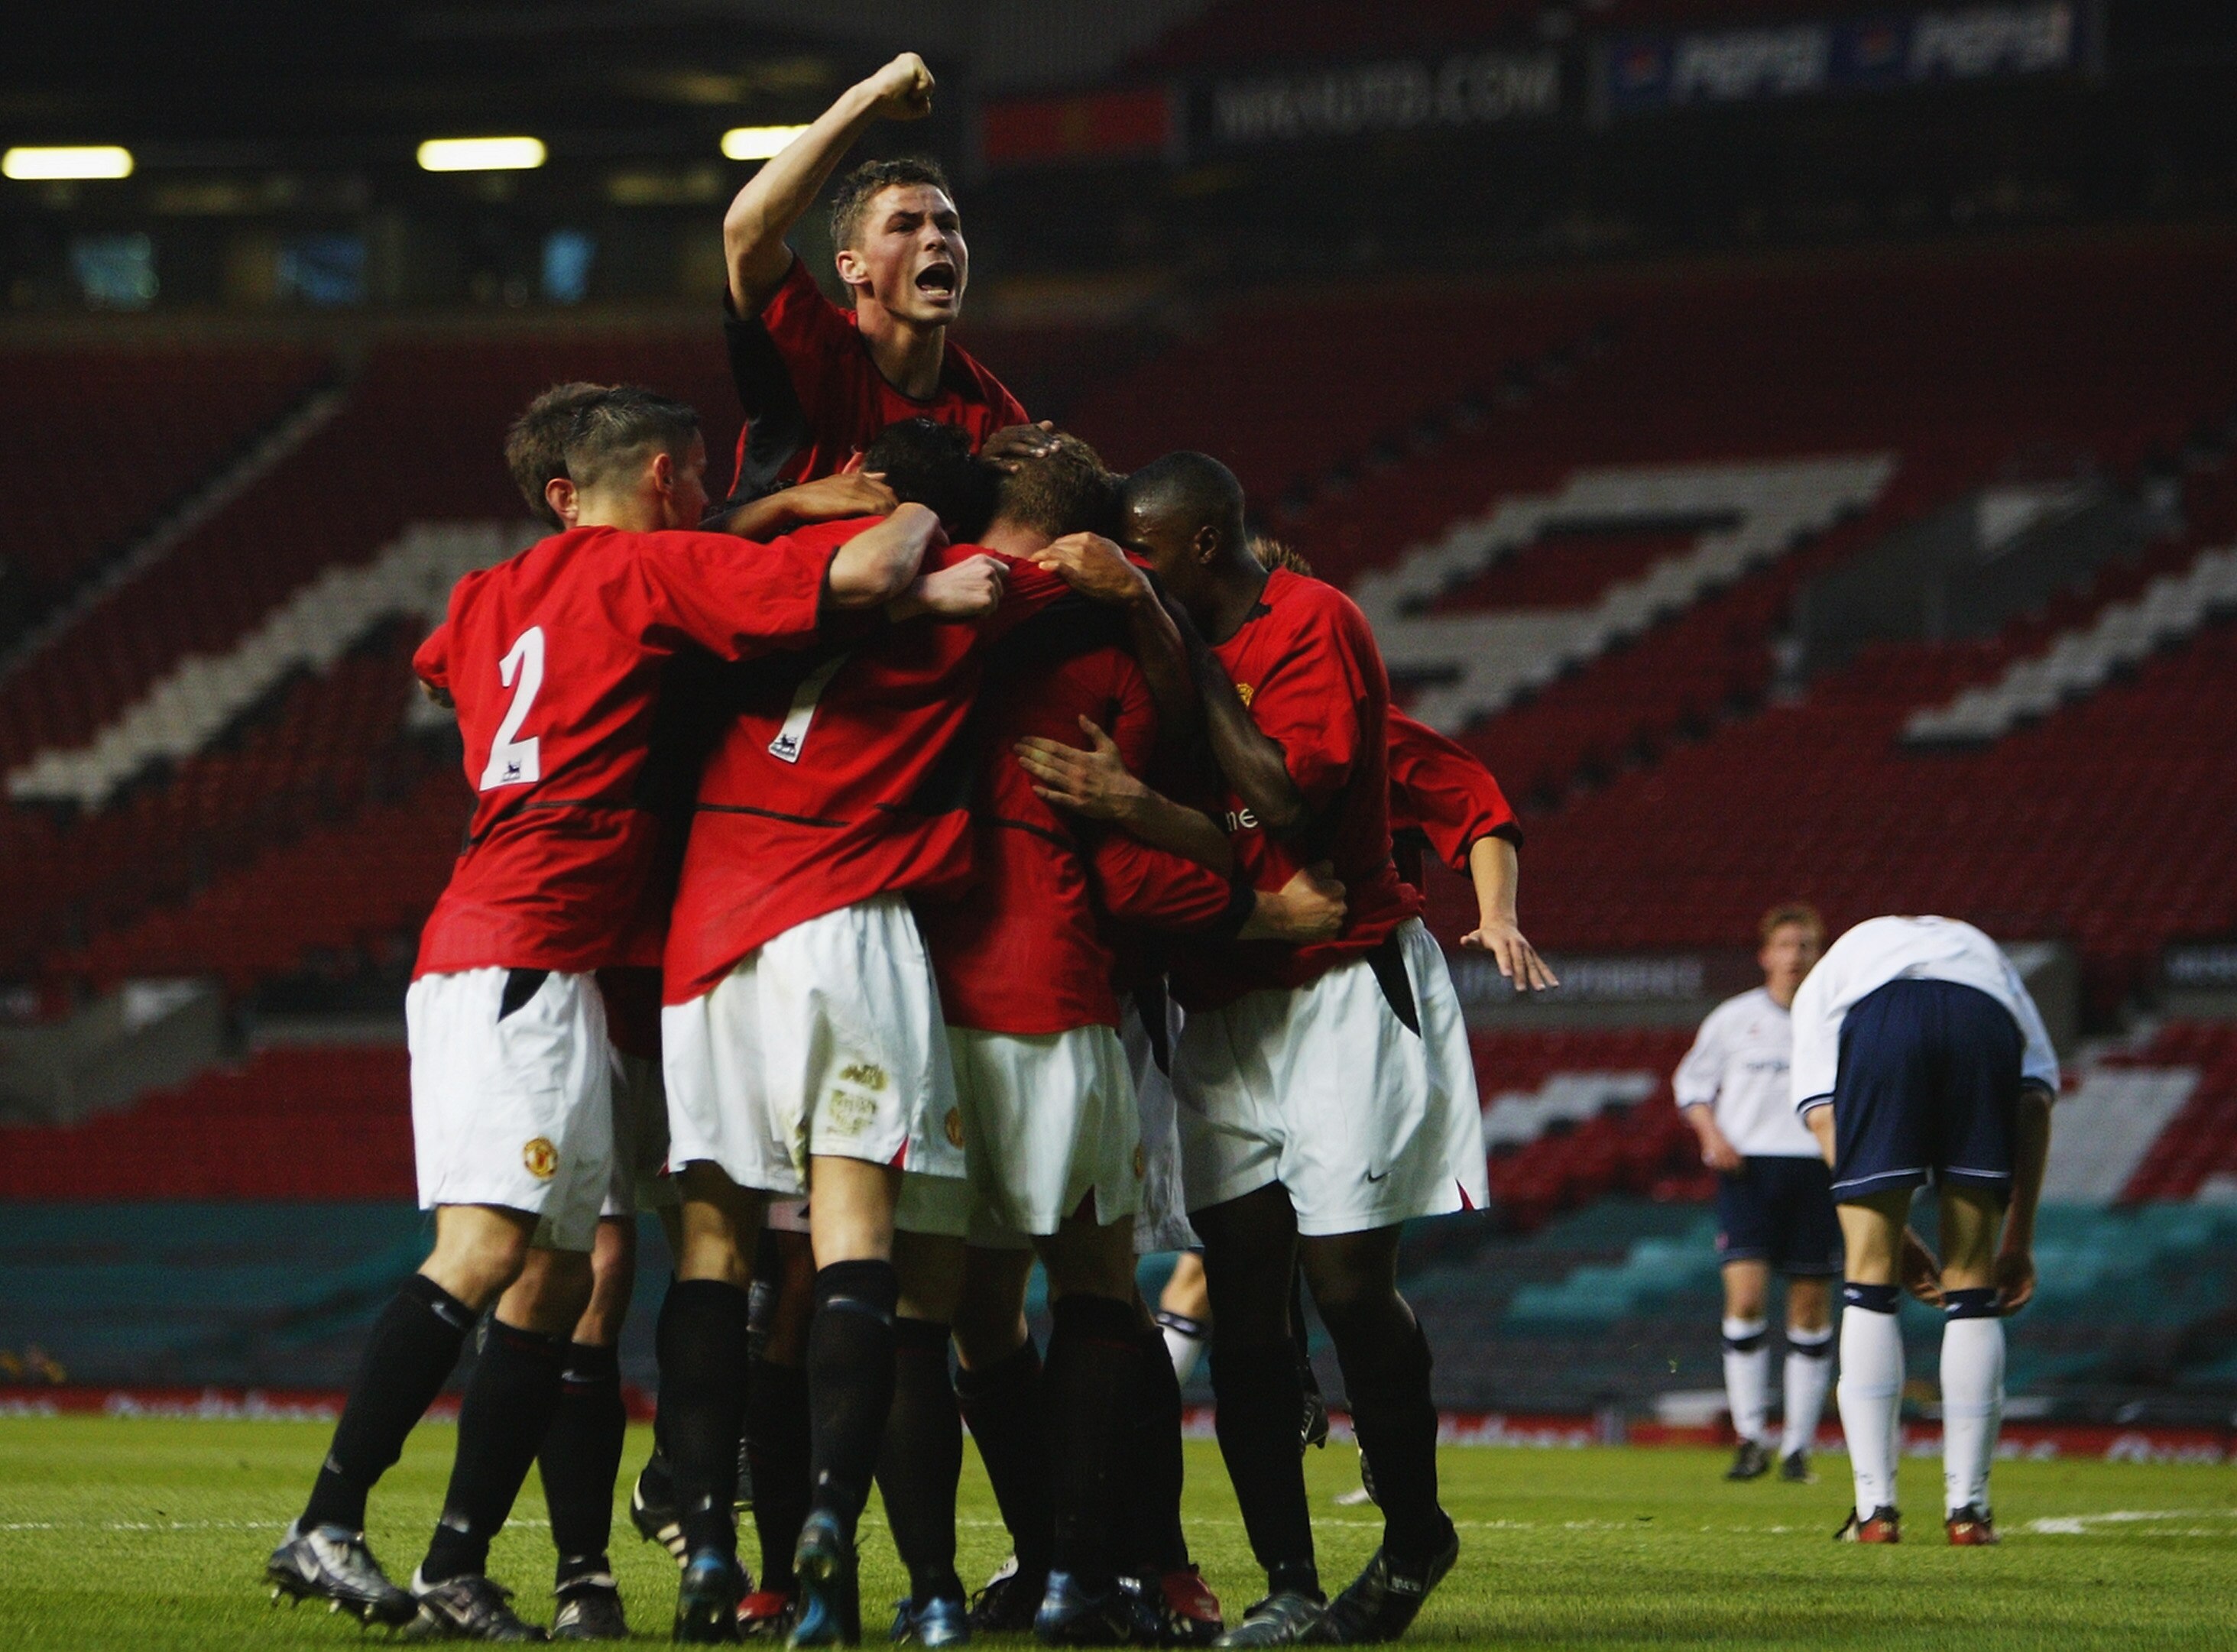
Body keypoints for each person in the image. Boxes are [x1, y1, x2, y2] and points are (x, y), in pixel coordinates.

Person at [264, 387, 938, 1637]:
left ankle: (459, 1561)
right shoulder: (652, 570)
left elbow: (435, 676)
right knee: (483, 1253)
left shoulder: (482, 594)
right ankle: (327, 1521)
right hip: (522, 946)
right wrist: (894, 509)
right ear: (656, 481)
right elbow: (866, 573)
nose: (698, 496)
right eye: (688, 477)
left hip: (534, 941)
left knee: (561, 1270)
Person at [653, 441, 1106, 1643]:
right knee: (862, 1253)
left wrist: (799, 505)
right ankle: (827, 1525)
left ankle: (706, 1537)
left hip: (704, 937)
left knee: (718, 1250)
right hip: (846, 925)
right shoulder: (972, 580)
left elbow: (653, 566)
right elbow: (1085, 569)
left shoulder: (749, 566)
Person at [1036, 453, 1486, 1645]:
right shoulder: (1166, 645)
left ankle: (1411, 1533)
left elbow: (1284, 802)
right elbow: (1193, 831)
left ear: (1197, 545)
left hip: (1343, 983)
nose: (1129, 567)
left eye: (1143, 549)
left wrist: (1175, 662)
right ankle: (1286, 1577)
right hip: (1222, 998)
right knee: (1242, 1302)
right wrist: (1140, 800)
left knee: (1343, 1281)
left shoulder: (1312, 621)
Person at [1790, 915, 2058, 1547]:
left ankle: (1873, 1511)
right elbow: (2035, 1101)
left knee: (1868, 1279)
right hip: (1979, 1021)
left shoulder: (1834, 972)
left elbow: (1822, 1113)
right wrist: (2015, 1242)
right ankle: (1969, 1512)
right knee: (1971, 1281)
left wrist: (1891, 1237)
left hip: (1882, 1021)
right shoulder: (1984, 950)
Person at [714, 50, 1049, 512]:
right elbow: (745, 233)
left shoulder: (988, 409)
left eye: (948, 225)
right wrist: (867, 97)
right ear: (852, 267)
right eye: (905, 226)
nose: (936, 239)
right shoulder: (813, 349)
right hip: (765, 580)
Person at [1674, 904, 1838, 1486]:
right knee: (1744, 1301)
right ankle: (1749, 1438)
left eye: (1807, 945)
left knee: (1809, 1309)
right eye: (1787, 944)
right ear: (1765, 954)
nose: (1796, 955)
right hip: (1748, 1172)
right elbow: (1691, 1083)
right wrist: (1711, 1133)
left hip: (1816, 1170)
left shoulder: (1835, 1019)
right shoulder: (1733, 1018)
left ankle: (1797, 1447)